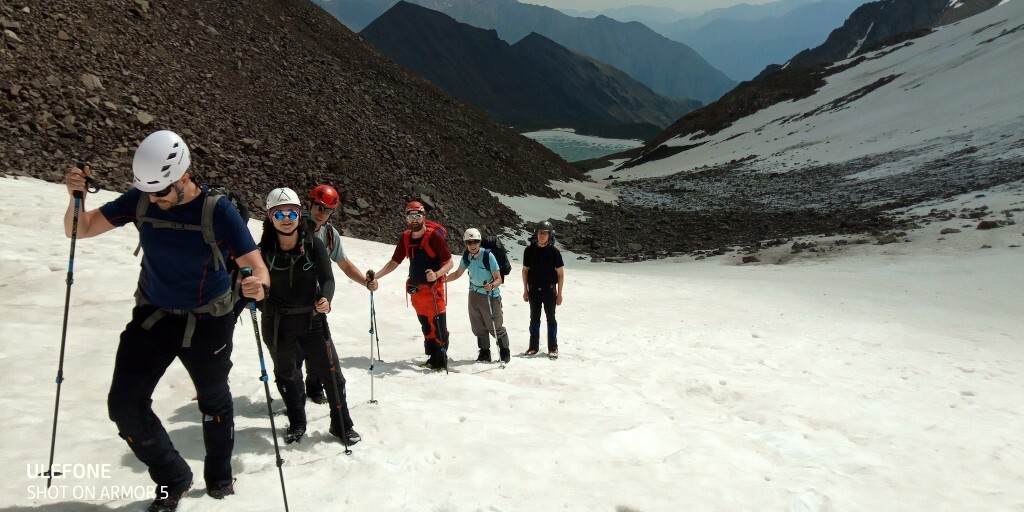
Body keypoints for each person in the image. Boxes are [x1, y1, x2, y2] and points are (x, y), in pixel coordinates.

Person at [63, 130, 269, 512]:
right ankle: (173, 477)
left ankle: (220, 474)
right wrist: (75, 198)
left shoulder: (217, 210)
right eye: (150, 194)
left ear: (183, 178)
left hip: (210, 320)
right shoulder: (142, 200)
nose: (154, 201)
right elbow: (82, 228)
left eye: (161, 193)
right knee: (124, 405)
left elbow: (255, 264)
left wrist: (257, 285)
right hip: (154, 316)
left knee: (214, 400)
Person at [257, 187, 360, 446]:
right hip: (277, 322)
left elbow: (327, 278)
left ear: (299, 213)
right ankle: (297, 422)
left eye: (291, 213)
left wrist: (326, 298)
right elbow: (254, 283)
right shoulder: (264, 249)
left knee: (332, 373)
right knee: (287, 374)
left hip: (312, 319)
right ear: (270, 217)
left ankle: (341, 424)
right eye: (279, 214)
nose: (287, 218)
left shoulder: (312, 243)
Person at [297, 184, 377, 404]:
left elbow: (344, 264)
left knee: (317, 349)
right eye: (319, 207)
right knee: (294, 352)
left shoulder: (330, 234)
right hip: (290, 296)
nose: (322, 213)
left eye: (327, 210)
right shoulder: (291, 225)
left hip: (316, 298)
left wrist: (365, 282)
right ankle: (295, 398)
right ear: (309, 204)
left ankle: (313, 389)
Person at [368, 201, 453, 370]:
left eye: (417, 216)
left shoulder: (434, 237)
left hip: (433, 290)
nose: (414, 220)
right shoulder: (406, 237)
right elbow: (394, 262)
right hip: (416, 291)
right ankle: (432, 358)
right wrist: (376, 276)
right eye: (410, 216)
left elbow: (449, 263)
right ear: (406, 218)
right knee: (426, 325)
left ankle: (440, 360)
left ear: (423, 216)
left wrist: (437, 274)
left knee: (438, 325)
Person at [446, 228, 511, 363]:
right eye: (469, 242)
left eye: (475, 242)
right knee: (478, 326)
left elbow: (498, 278)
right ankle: (484, 353)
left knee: (495, 326)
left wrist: (492, 285)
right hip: (473, 294)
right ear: (465, 243)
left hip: (490, 295)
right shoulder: (467, 256)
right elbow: (458, 273)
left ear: (479, 242)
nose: (472, 245)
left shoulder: (488, 256)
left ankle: (505, 353)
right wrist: (442, 279)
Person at [522, 220, 564, 358]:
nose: (542, 236)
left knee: (551, 318)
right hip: (534, 290)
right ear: (536, 233)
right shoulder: (529, 250)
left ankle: (553, 347)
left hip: (549, 290)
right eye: (540, 233)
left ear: (549, 235)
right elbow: (525, 271)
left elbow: (560, 273)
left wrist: (560, 294)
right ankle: (533, 346)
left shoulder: (554, 252)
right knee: (534, 319)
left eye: (545, 233)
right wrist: (525, 290)